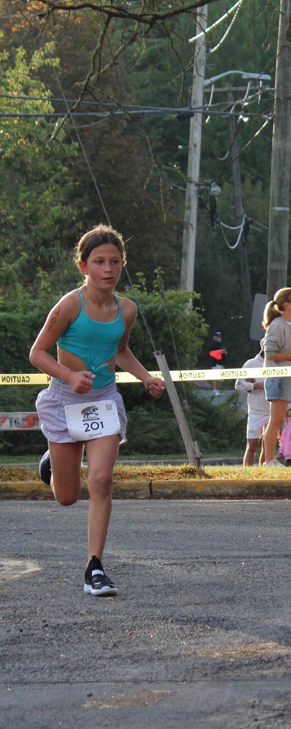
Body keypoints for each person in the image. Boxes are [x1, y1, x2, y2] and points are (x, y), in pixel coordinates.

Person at [29, 225, 165, 596]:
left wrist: (146, 378)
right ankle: (52, 464)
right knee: (67, 496)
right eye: (99, 262)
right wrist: (69, 376)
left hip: (103, 401)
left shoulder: (127, 309)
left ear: (123, 265)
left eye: (115, 262)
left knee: (101, 480)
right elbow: (37, 353)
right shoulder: (70, 305)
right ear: (83, 266)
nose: (108, 269)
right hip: (64, 400)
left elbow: (120, 351)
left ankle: (95, 568)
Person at [260, 287, 291, 465]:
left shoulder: (287, 325)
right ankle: (268, 460)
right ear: (286, 304)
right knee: (276, 420)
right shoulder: (277, 325)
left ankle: (268, 459)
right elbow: (270, 353)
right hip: (277, 377)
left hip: (284, 377)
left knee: (277, 420)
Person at [234, 346, 268, 466]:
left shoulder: (277, 363)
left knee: (268, 446)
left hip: (273, 410)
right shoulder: (251, 363)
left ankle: (263, 472)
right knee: (252, 445)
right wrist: (255, 385)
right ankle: (248, 472)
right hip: (256, 411)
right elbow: (238, 384)